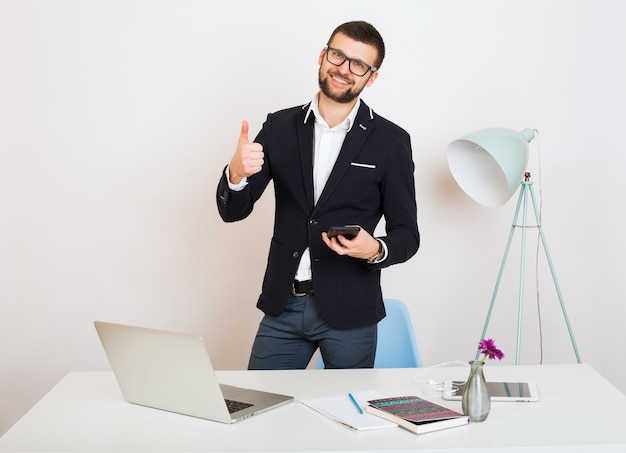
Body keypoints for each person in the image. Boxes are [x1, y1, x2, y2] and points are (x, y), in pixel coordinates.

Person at [216, 20, 419, 369]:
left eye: (359, 65)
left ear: (372, 77)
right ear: (323, 55)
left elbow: (408, 235)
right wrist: (235, 174)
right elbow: (234, 211)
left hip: (352, 310)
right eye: (338, 56)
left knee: (346, 415)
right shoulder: (279, 127)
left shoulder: (391, 141)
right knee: (258, 411)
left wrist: (375, 249)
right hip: (284, 305)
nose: (344, 70)